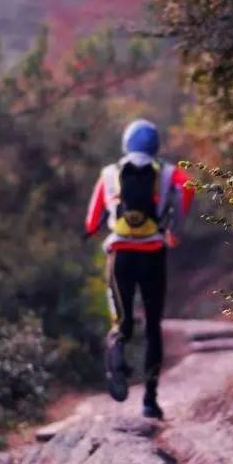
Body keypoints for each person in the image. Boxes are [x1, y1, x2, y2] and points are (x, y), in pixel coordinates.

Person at [83, 119, 194, 419]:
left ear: (125, 144)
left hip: (120, 254)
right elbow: (187, 189)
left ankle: (117, 347)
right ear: (156, 145)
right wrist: (175, 229)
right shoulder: (170, 173)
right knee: (154, 326)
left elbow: (92, 221)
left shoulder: (109, 174)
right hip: (153, 252)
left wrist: (95, 228)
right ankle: (149, 399)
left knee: (122, 320)